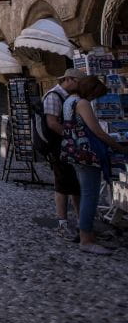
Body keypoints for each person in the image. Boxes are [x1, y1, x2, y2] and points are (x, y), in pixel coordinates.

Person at [60, 75, 128, 255]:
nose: (94, 99)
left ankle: (87, 233)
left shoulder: (69, 101)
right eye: (95, 95)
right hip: (87, 154)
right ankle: (86, 239)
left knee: (86, 194)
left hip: (75, 152)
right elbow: (97, 131)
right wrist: (119, 147)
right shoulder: (82, 103)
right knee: (90, 196)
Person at [43, 68, 84, 240]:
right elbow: (52, 123)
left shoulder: (68, 96)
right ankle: (62, 225)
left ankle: (83, 223)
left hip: (68, 146)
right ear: (68, 80)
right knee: (62, 185)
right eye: (78, 83)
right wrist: (71, 139)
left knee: (75, 185)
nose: (80, 87)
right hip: (58, 147)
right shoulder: (54, 96)